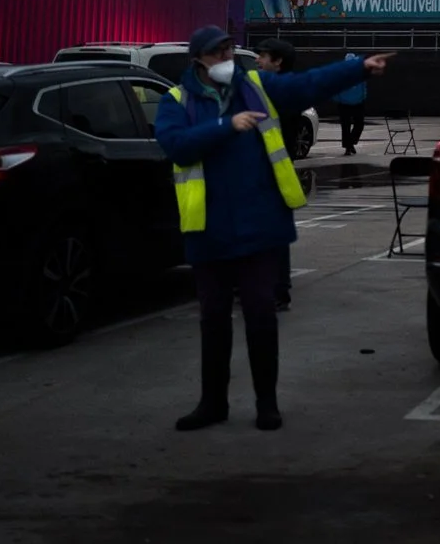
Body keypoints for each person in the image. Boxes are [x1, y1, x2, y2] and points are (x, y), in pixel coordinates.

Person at [155, 25, 391, 431]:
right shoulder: (176, 101)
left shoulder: (257, 87)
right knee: (213, 319)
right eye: (218, 53)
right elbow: (176, 145)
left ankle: (267, 403)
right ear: (199, 60)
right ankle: (213, 403)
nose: (228, 59)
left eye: (230, 50)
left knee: (261, 315)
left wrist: (358, 70)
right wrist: (226, 126)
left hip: (260, 224)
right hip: (208, 229)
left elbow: (306, 85)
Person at [254, 38, 303, 312]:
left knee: (273, 233)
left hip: (275, 172)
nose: (258, 60)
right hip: (266, 170)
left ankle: (278, 289)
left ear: (278, 62)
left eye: (263, 56)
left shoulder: (283, 92)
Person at [332, 60, 370, 155]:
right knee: (357, 124)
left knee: (347, 126)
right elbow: (363, 87)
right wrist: (363, 97)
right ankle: (350, 144)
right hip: (355, 102)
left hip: (345, 103)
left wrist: (338, 99)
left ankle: (348, 145)